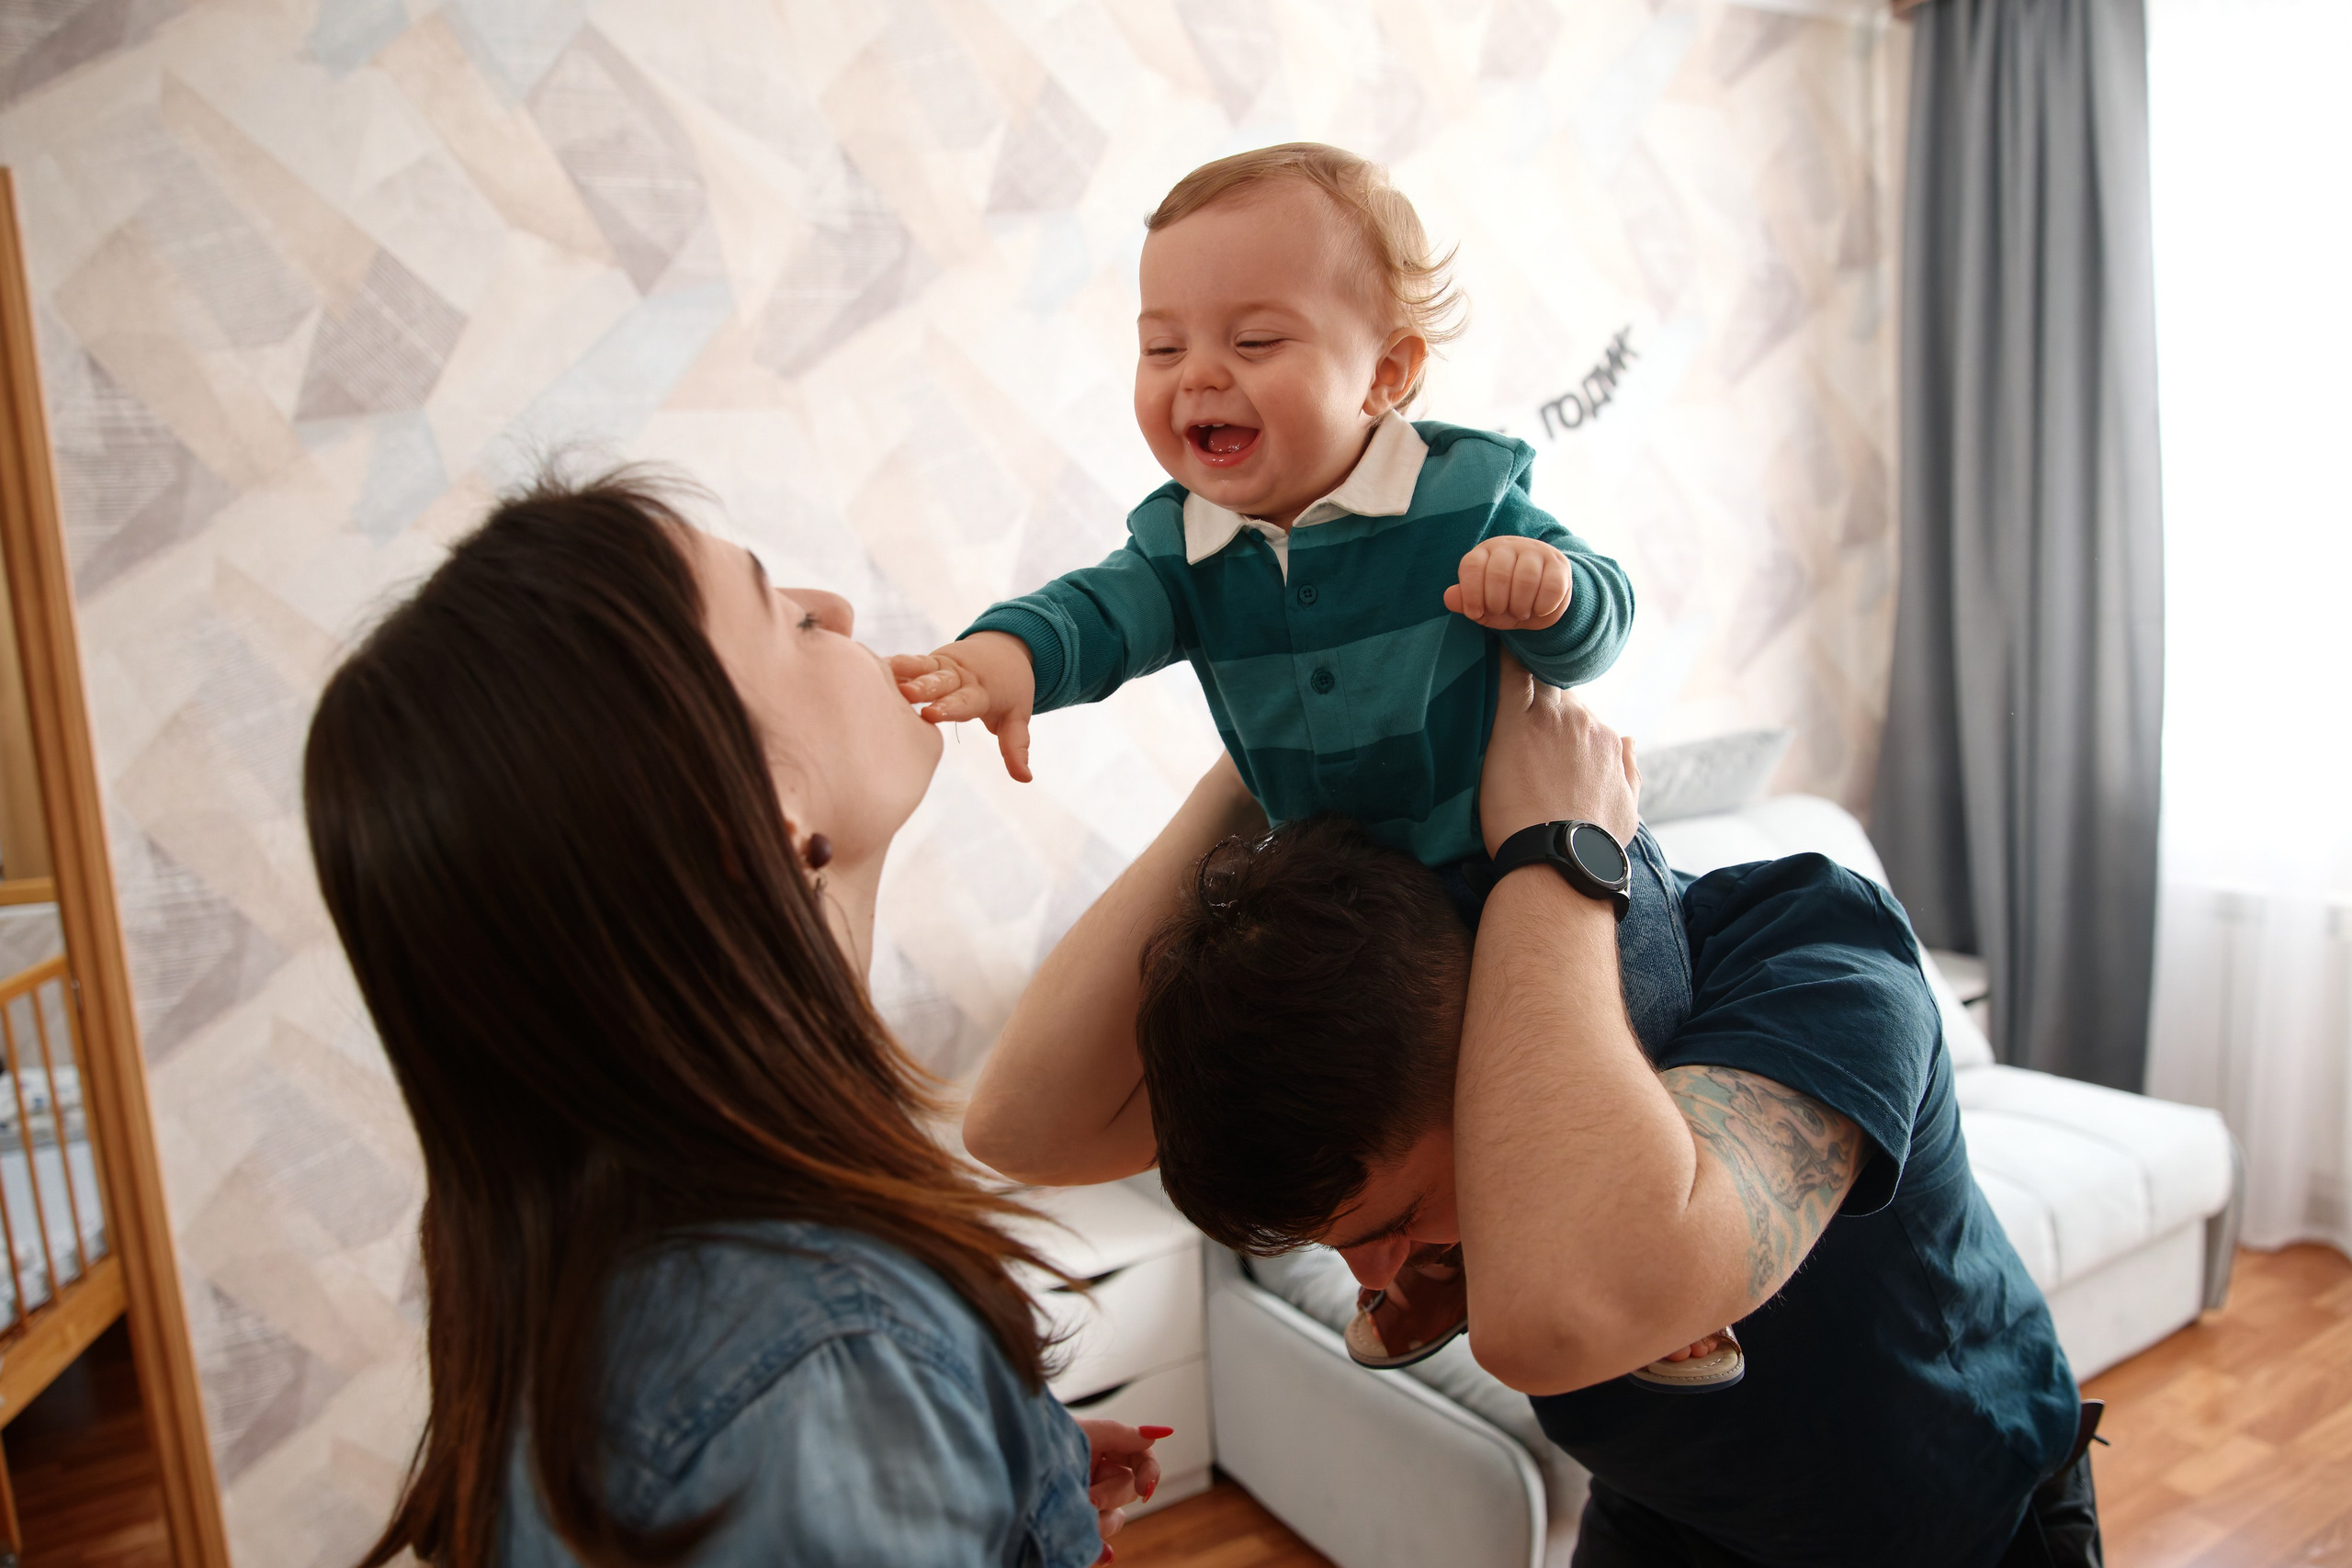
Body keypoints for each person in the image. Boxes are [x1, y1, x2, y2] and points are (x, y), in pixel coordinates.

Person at [964, 660, 2102, 1567]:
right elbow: (1017, 1128)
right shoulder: (1391, 1015)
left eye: (1390, 1220)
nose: (1376, 1282)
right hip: (1666, 1512)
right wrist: (1263, 742)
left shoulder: (1823, 956)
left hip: (1949, 1524)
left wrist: (1560, 848)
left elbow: (1558, 1317)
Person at [303, 470, 1170, 1568]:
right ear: (761, 816)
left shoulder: (649, 1292)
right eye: (794, 621)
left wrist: (1006, 1470)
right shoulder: (817, 1371)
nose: (842, 613)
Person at [887, 142, 1635, 871]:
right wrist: (1008, 656)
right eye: (1164, 349)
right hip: (1347, 913)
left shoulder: (1461, 494)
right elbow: (1097, 615)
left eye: (1254, 341)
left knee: (1654, 976)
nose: (1199, 375)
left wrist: (1554, 594)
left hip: (1518, 867)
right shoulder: (1183, 545)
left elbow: (1602, 623)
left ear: (1384, 373)